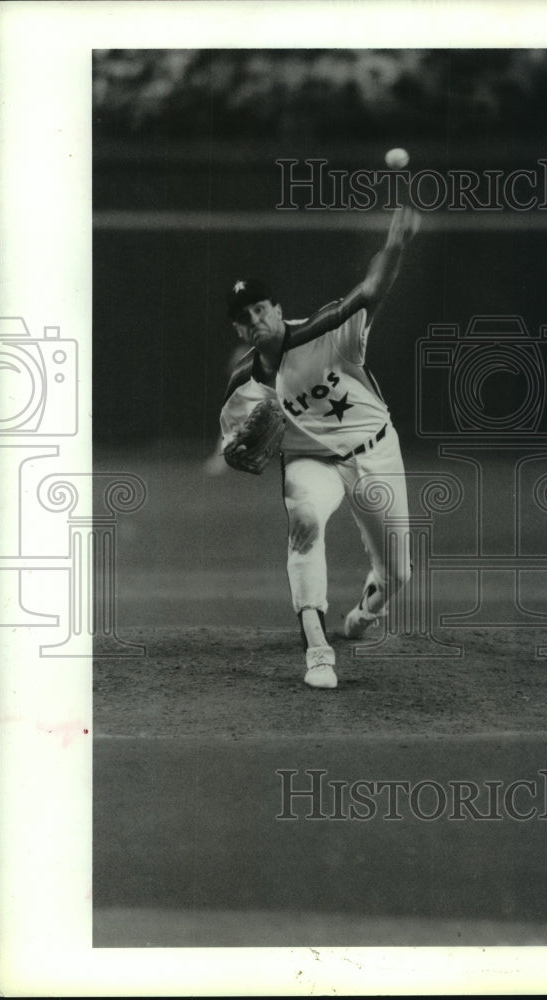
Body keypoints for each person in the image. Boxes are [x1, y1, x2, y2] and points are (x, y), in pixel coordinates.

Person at [219, 206, 421, 689]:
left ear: (275, 308)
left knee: (398, 574)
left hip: (375, 452)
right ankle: (318, 649)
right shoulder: (242, 385)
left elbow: (374, 288)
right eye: (245, 317)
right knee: (305, 523)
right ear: (239, 330)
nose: (255, 318)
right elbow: (234, 445)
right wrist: (236, 453)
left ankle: (366, 612)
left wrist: (394, 245)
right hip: (311, 462)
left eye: (260, 308)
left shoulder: (325, 330)